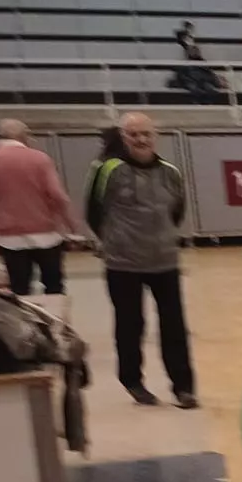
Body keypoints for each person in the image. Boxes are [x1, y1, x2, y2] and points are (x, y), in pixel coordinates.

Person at [86, 111, 193, 408]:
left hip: (165, 261)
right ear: (124, 138)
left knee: (174, 326)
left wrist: (162, 235)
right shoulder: (108, 170)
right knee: (130, 325)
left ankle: (184, 387)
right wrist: (115, 241)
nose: (141, 139)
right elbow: (93, 213)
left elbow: (177, 211)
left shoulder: (171, 171)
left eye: (146, 133)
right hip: (123, 264)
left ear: (155, 136)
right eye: (134, 134)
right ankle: (133, 381)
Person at [0, 119, 78, 297]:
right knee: (54, 287)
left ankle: (25, 323)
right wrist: (73, 228)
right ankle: (54, 322)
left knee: (19, 291)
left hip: (9, 238)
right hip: (47, 236)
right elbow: (58, 195)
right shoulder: (40, 159)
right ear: (24, 135)